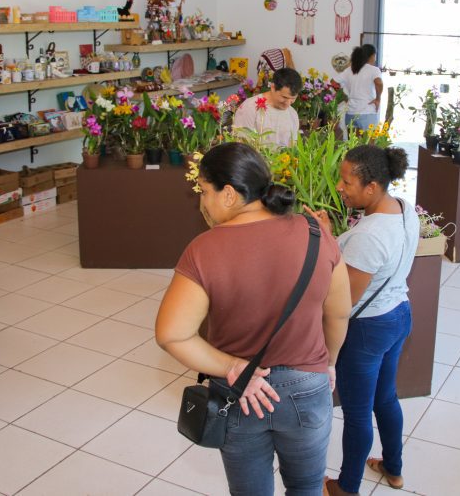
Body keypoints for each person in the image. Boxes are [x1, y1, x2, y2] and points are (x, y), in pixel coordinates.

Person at [156, 142, 352, 495]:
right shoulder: (315, 233)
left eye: (204, 190)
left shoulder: (204, 249)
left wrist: (234, 368)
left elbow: (172, 335)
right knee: (307, 486)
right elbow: (338, 313)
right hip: (307, 387)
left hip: (239, 394)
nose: (202, 201)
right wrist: (330, 363)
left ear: (228, 194)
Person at [304, 144, 420, 496]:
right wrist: (331, 235)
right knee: (385, 398)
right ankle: (393, 469)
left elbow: (345, 302)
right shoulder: (401, 207)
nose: (339, 187)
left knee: (357, 413)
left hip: (368, 329)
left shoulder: (369, 236)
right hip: (399, 314)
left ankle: (346, 487)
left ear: (371, 187)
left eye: (346, 181)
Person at [232, 67, 302, 147]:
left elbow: (292, 146)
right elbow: (240, 145)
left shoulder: (292, 114)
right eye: (284, 97)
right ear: (273, 87)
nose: (288, 104)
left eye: (293, 98)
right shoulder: (250, 107)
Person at [334, 44, 383, 132]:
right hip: (367, 112)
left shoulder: (349, 70)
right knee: (369, 145)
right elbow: (379, 83)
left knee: (353, 145)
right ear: (372, 56)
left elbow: (332, 83)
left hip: (351, 112)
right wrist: (378, 99)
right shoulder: (374, 70)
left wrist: (343, 96)